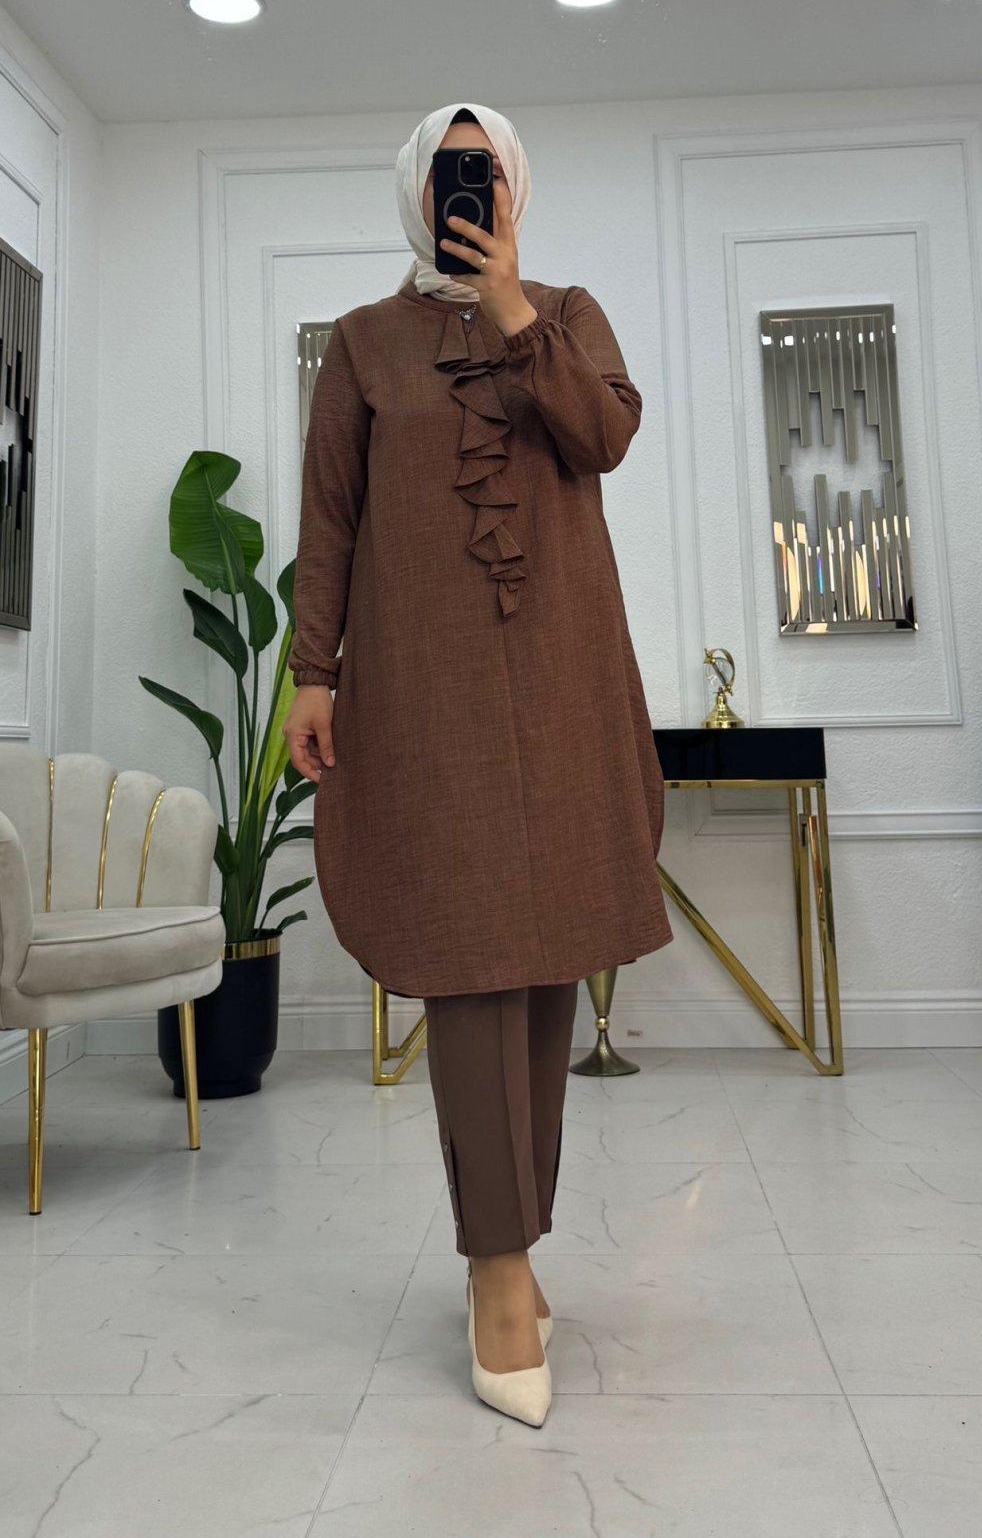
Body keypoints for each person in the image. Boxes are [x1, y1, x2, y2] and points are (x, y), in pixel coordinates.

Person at [284, 101, 673, 1427]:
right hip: (427, 687)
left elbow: (603, 437)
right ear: (417, 188)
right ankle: (497, 1269)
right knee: (466, 958)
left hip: (561, 673)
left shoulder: (567, 315)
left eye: (486, 169)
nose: (469, 188)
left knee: (550, 950)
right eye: (451, 172)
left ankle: (518, 1239)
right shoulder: (363, 343)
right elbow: (329, 518)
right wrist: (314, 671)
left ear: (514, 188)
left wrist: (510, 303)